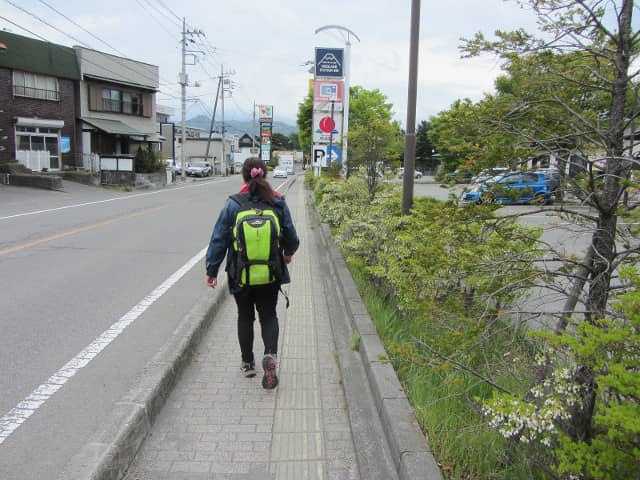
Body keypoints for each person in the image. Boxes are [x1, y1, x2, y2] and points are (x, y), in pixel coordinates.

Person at [205, 157, 299, 389]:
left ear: (243, 176)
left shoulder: (233, 204)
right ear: (264, 175)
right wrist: (287, 253)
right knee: (269, 315)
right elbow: (292, 238)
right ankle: (271, 355)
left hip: (240, 273)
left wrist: (212, 270)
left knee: (244, 316)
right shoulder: (277, 202)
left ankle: (248, 363)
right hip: (270, 272)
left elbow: (219, 239)